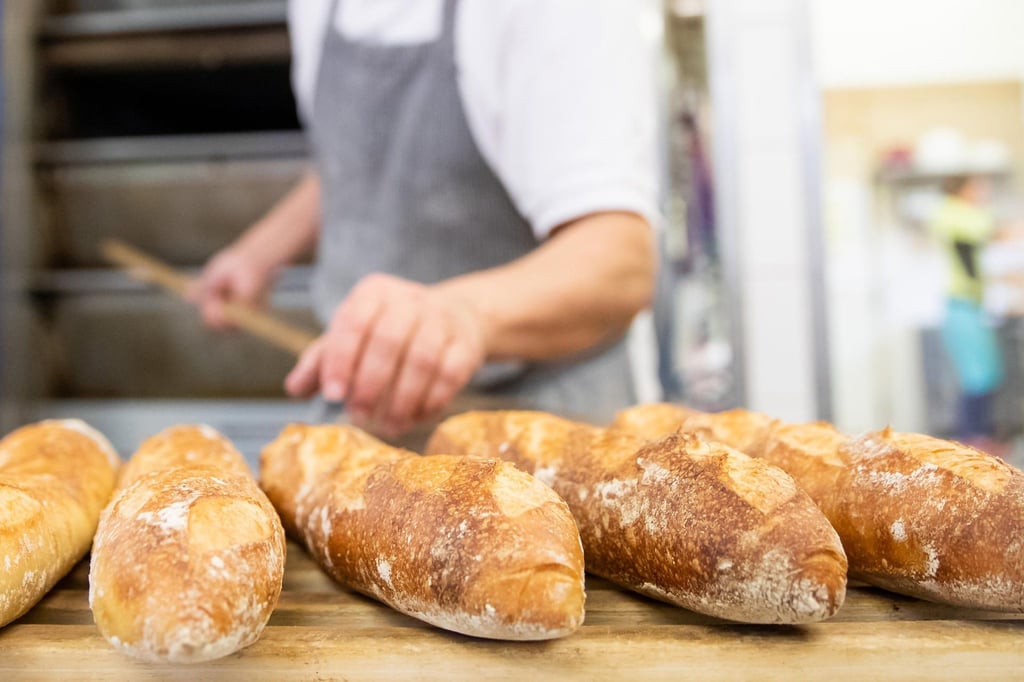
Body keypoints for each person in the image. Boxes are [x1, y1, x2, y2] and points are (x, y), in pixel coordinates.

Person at [190, 0, 659, 437]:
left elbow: (621, 259)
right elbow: (364, 163)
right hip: (366, 422)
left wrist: (464, 316)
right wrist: (261, 251)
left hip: (539, 432)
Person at [929, 174, 1005, 452]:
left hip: (971, 305)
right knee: (975, 376)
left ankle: (982, 436)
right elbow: (988, 228)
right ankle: (973, 438)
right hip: (960, 306)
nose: (981, 192)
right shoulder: (951, 214)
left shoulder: (962, 216)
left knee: (985, 374)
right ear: (961, 190)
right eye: (976, 187)